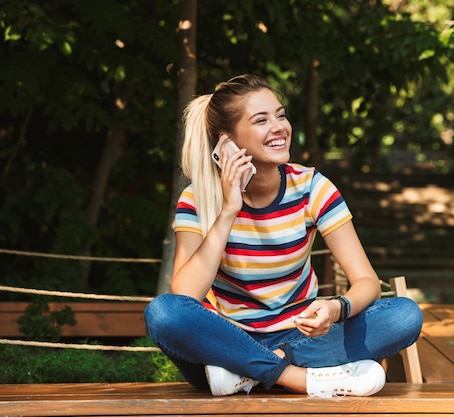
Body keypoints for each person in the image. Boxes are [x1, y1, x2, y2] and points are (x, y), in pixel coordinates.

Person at [144, 74, 423, 397]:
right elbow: (185, 295)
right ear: (227, 141)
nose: (279, 127)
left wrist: (336, 308)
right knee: (163, 313)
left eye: (281, 115)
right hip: (226, 340)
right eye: (261, 120)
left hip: (300, 338)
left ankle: (249, 373)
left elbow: (367, 282)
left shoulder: (312, 188)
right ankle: (299, 378)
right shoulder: (198, 199)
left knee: (404, 315)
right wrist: (229, 210)